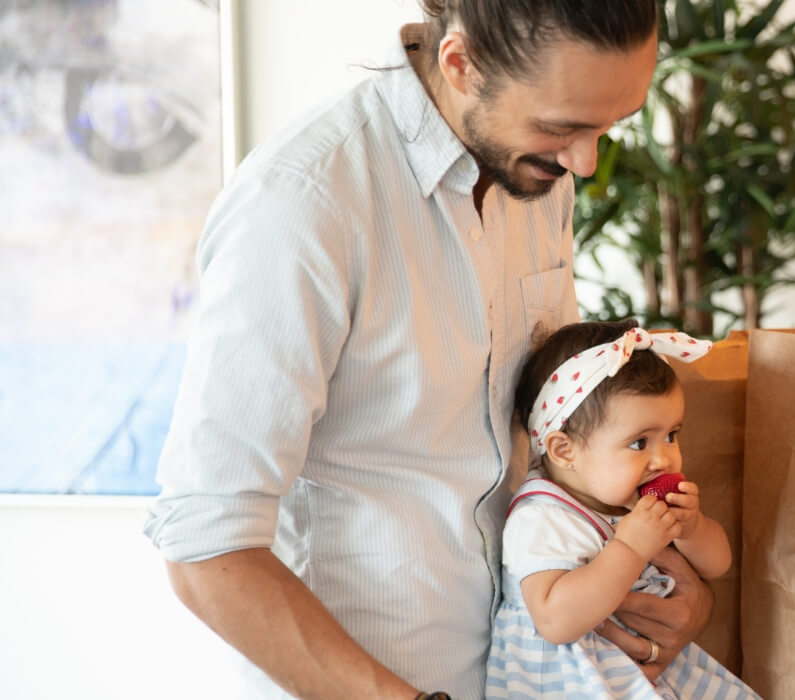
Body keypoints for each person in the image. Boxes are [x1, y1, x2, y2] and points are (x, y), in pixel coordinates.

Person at [143, 3, 715, 699]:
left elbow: (552, 439)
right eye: (561, 127)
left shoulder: (536, 174)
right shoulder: (303, 202)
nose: (585, 162)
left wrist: (680, 594)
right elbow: (206, 543)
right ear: (459, 63)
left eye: (606, 128)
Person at [487, 320, 758, 698]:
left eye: (671, 435)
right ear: (565, 450)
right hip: (572, 683)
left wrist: (693, 527)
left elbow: (718, 565)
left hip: (639, 674)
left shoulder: (629, 503)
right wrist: (630, 549)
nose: (664, 458)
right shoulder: (542, 517)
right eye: (639, 443)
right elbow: (554, 620)